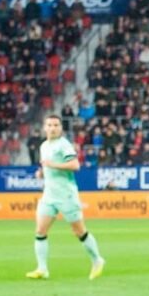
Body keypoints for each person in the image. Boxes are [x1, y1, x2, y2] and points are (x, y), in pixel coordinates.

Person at [27, 115, 104, 280]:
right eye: (49, 125)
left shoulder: (64, 145)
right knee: (40, 231)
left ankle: (97, 260)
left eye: (56, 125)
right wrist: (41, 173)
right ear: (45, 128)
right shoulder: (44, 146)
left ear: (60, 128)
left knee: (79, 231)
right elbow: (46, 166)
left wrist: (53, 165)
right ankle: (42, 269)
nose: (52, 128)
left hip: (66, 194)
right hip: (49, 194)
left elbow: (75, 165)